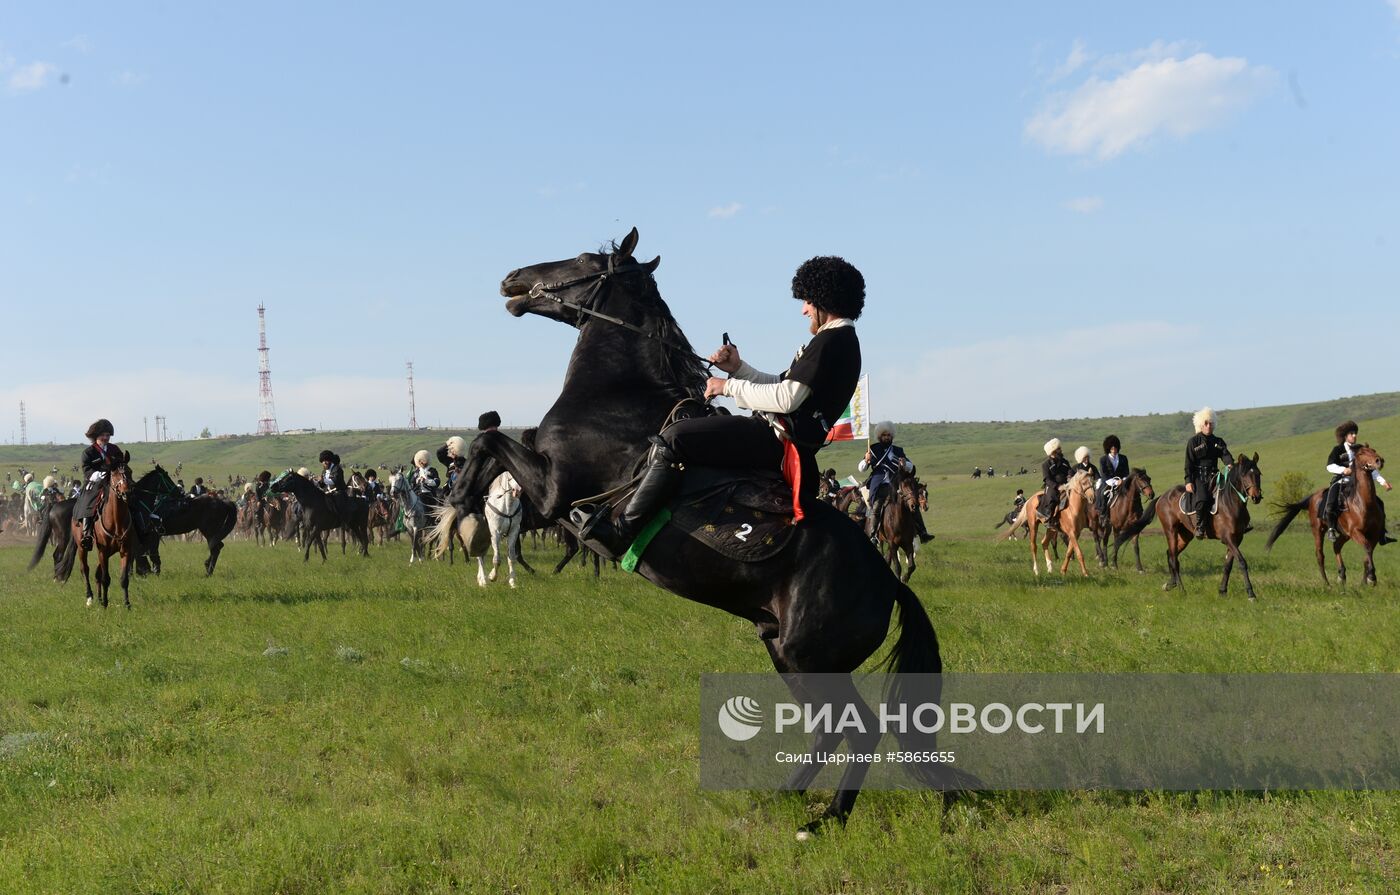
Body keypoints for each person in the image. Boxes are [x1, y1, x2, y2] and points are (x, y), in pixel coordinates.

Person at [576, 255, 865, 559]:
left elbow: (786, 399)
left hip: (775, 440)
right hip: (781, 438)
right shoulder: (838, 340)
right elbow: (780, 382)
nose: (804, 309)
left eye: (807, 301)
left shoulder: (831, 341)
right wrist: (738, 368)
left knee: (676, 437)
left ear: (823, 300)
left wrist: (726, 387)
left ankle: (622, 532)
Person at [859, 421, 933, 544]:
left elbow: (910, 467)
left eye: (889, 435)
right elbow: (861, 469)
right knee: (876, 506)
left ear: (892, 436)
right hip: (880, 486)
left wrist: (905, 464)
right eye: (884, 435)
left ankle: (922, 532)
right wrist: (866, 461)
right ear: (879, 436)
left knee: (912, 504)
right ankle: (872, 535)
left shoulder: (898, 450)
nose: (887, 437)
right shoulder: (873, 449)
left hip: (897, 485)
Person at [1323, 420, 1393, 542]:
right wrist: (1344, 470)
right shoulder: (1338, 450)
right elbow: (1329, 466)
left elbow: (1372, 467)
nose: (1354, 435)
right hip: (1341, 481)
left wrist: (1383, 482)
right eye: (1351, 433)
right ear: (1345, 436)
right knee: (1331, 501)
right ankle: (1331, 529)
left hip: (1359, 484)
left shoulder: (1361, 449)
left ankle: (1382, 534)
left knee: (1379, 503)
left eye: (1355, 433)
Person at [74, 419, 127, 550]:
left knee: (131, 495)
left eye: (108, 435)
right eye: (103, 435)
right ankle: (87, 534)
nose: (105, 437)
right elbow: (87, 470)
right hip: (95, 482)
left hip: (114, 481)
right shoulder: (88, 452)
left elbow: (121, 464)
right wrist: (99, 475)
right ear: (96, 436)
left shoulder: (115, 449)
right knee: (89, 500)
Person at [1184, 407, 1233, 539]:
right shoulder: (1193, 442)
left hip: (1215, 476)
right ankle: (1200, 527)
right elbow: (1188, 464)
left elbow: (1225, 455)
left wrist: (1229, 463)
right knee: (1203, 500)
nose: (1208, 426)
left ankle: (1240, 523)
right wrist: (1188, 481)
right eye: (1206, 423)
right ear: (1201, 424)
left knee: (1233, 492)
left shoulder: (1218, 441)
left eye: (1211, 423)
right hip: (1199, 477)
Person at [1037, 439, 1071, 523]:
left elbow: (1070, 471)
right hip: (1053, 487)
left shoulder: (1065, 462)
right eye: (1059, 449)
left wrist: (1070, 476)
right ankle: (1048, 517)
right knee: (1052, 497)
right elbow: (1047, 479)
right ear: (1053, 452)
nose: (1061, 450)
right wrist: (1058, 486)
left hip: (1066, 484)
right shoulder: (1046, 464)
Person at [1098, 435, 1129, 518]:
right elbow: (1104, 474)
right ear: (1108, 449)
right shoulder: (1103, 459)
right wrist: (1115, 482)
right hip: (1108, 482)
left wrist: (1123, 480)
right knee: (1102, 494)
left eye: (1115, 448)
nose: (1114, 450)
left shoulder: (1123, 458)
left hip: (1122, 482)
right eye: (1112, 449)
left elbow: (1126, 472)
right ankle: (1103, 514)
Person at [319, 450, 352, 517]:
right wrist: (320, 482)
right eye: (323, 461)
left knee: (338, 503)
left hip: (338, 492)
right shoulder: (324, 471)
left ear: (330, 460)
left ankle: (342, 521)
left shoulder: (337, 469)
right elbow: (323, 486)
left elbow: (334, 481)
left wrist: (323, 480)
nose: (324, 462)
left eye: (326, 460)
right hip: (327, 493)